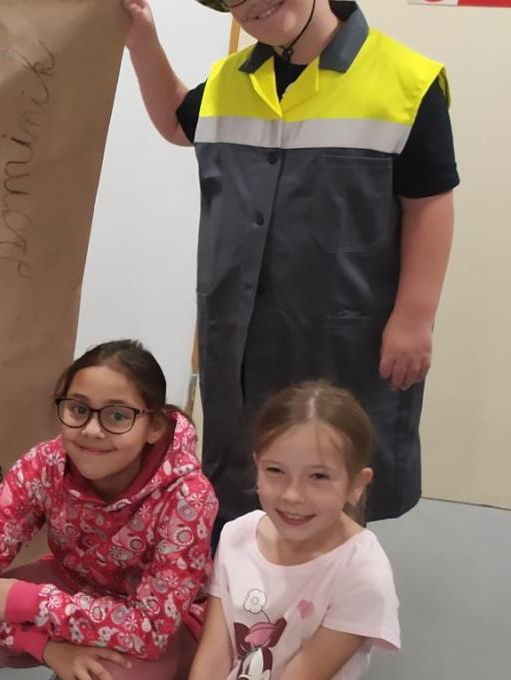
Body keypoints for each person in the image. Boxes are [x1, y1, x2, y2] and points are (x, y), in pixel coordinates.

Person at [121, 0, 459, 534]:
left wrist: (414, 318)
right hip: (242, 331)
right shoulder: (232, 78)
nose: (252, 3)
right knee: (245, 470)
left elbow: (429, 202)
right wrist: (142, 37)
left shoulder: (406, 81)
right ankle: (241, 571)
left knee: (332, 471)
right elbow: (179, 123)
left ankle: (326, 576)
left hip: (345, 330)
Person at [0, 340, 218, 680]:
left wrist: (30, 602)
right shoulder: (44, 464)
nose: (91, 430)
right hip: (75, 586)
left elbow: (152, 630)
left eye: (118, 415)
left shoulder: (188, 496)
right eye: (78, 409)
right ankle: (70, 660)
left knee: (114, 674)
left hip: (161, 627)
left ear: (155, 427)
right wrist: (49, 649)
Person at [189, 382, 399, 680]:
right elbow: (212, 660)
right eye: (275, 471)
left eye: (319, 476)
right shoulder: (237, 535)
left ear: (356, 485)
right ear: (257, 466)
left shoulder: (362, 571)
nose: (292, 495)